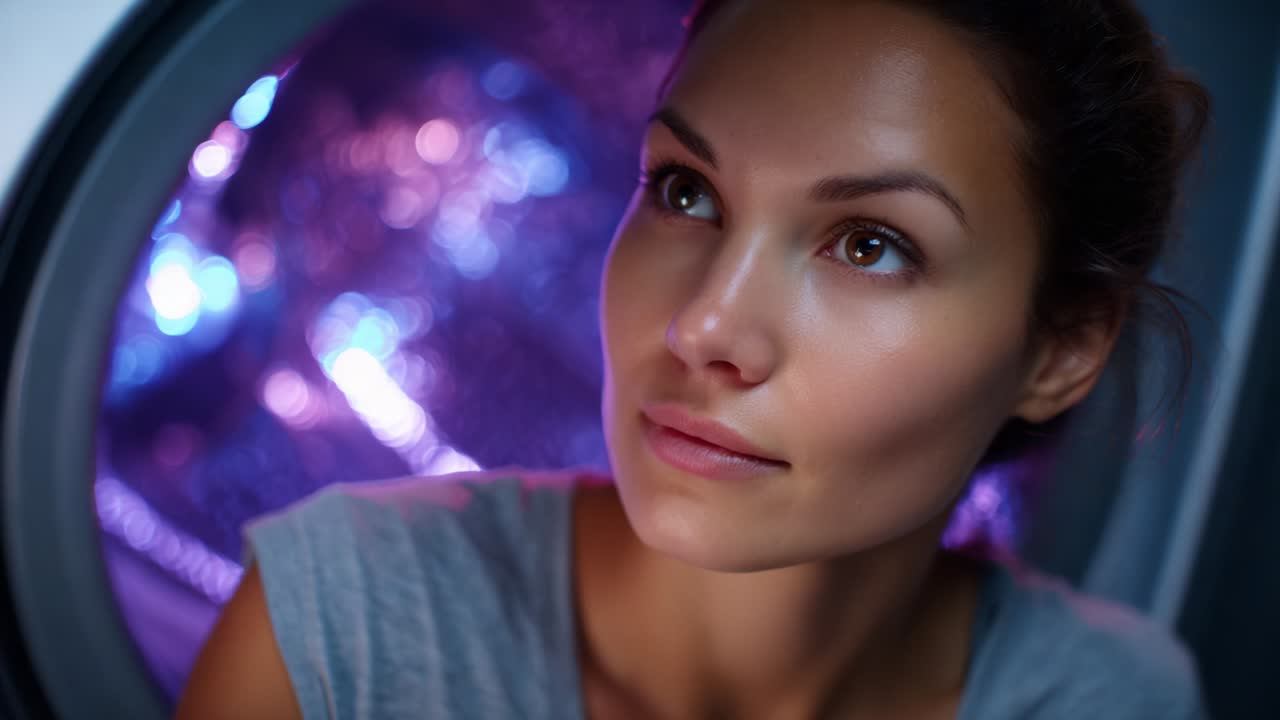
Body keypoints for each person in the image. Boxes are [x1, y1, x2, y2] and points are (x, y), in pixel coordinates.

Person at [174, 0, 1212, 717]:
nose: (703, 326)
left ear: (1058, 349)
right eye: (684, 192)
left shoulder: (1105, 701)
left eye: (868, 245)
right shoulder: (341, 641)